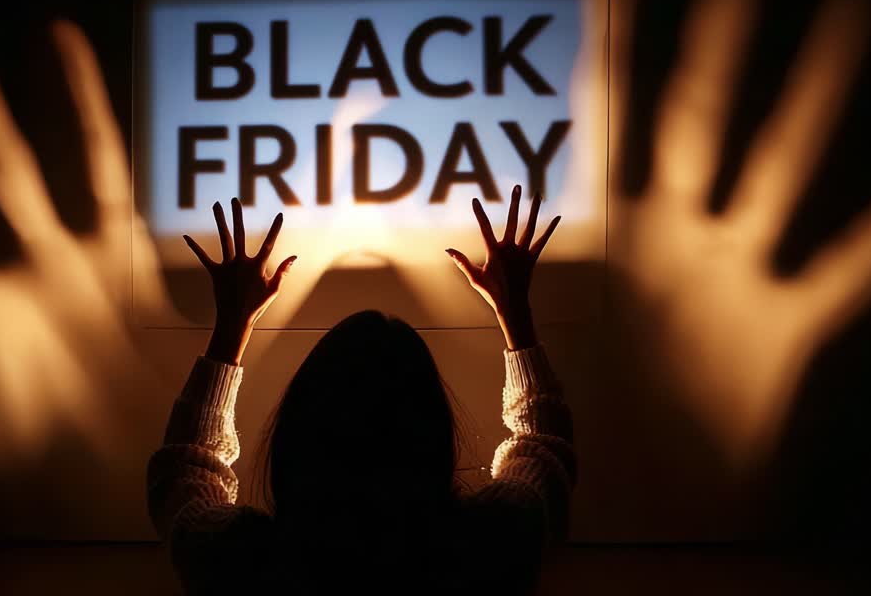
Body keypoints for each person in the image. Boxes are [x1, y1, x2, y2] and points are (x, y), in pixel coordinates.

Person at [147, 185, 572, 594]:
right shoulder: (490, 548)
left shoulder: (243, 562)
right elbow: (544, 447)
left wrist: (231, 327)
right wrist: (515, 311)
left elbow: (182, 476)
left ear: (295, 440)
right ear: (432, 436)